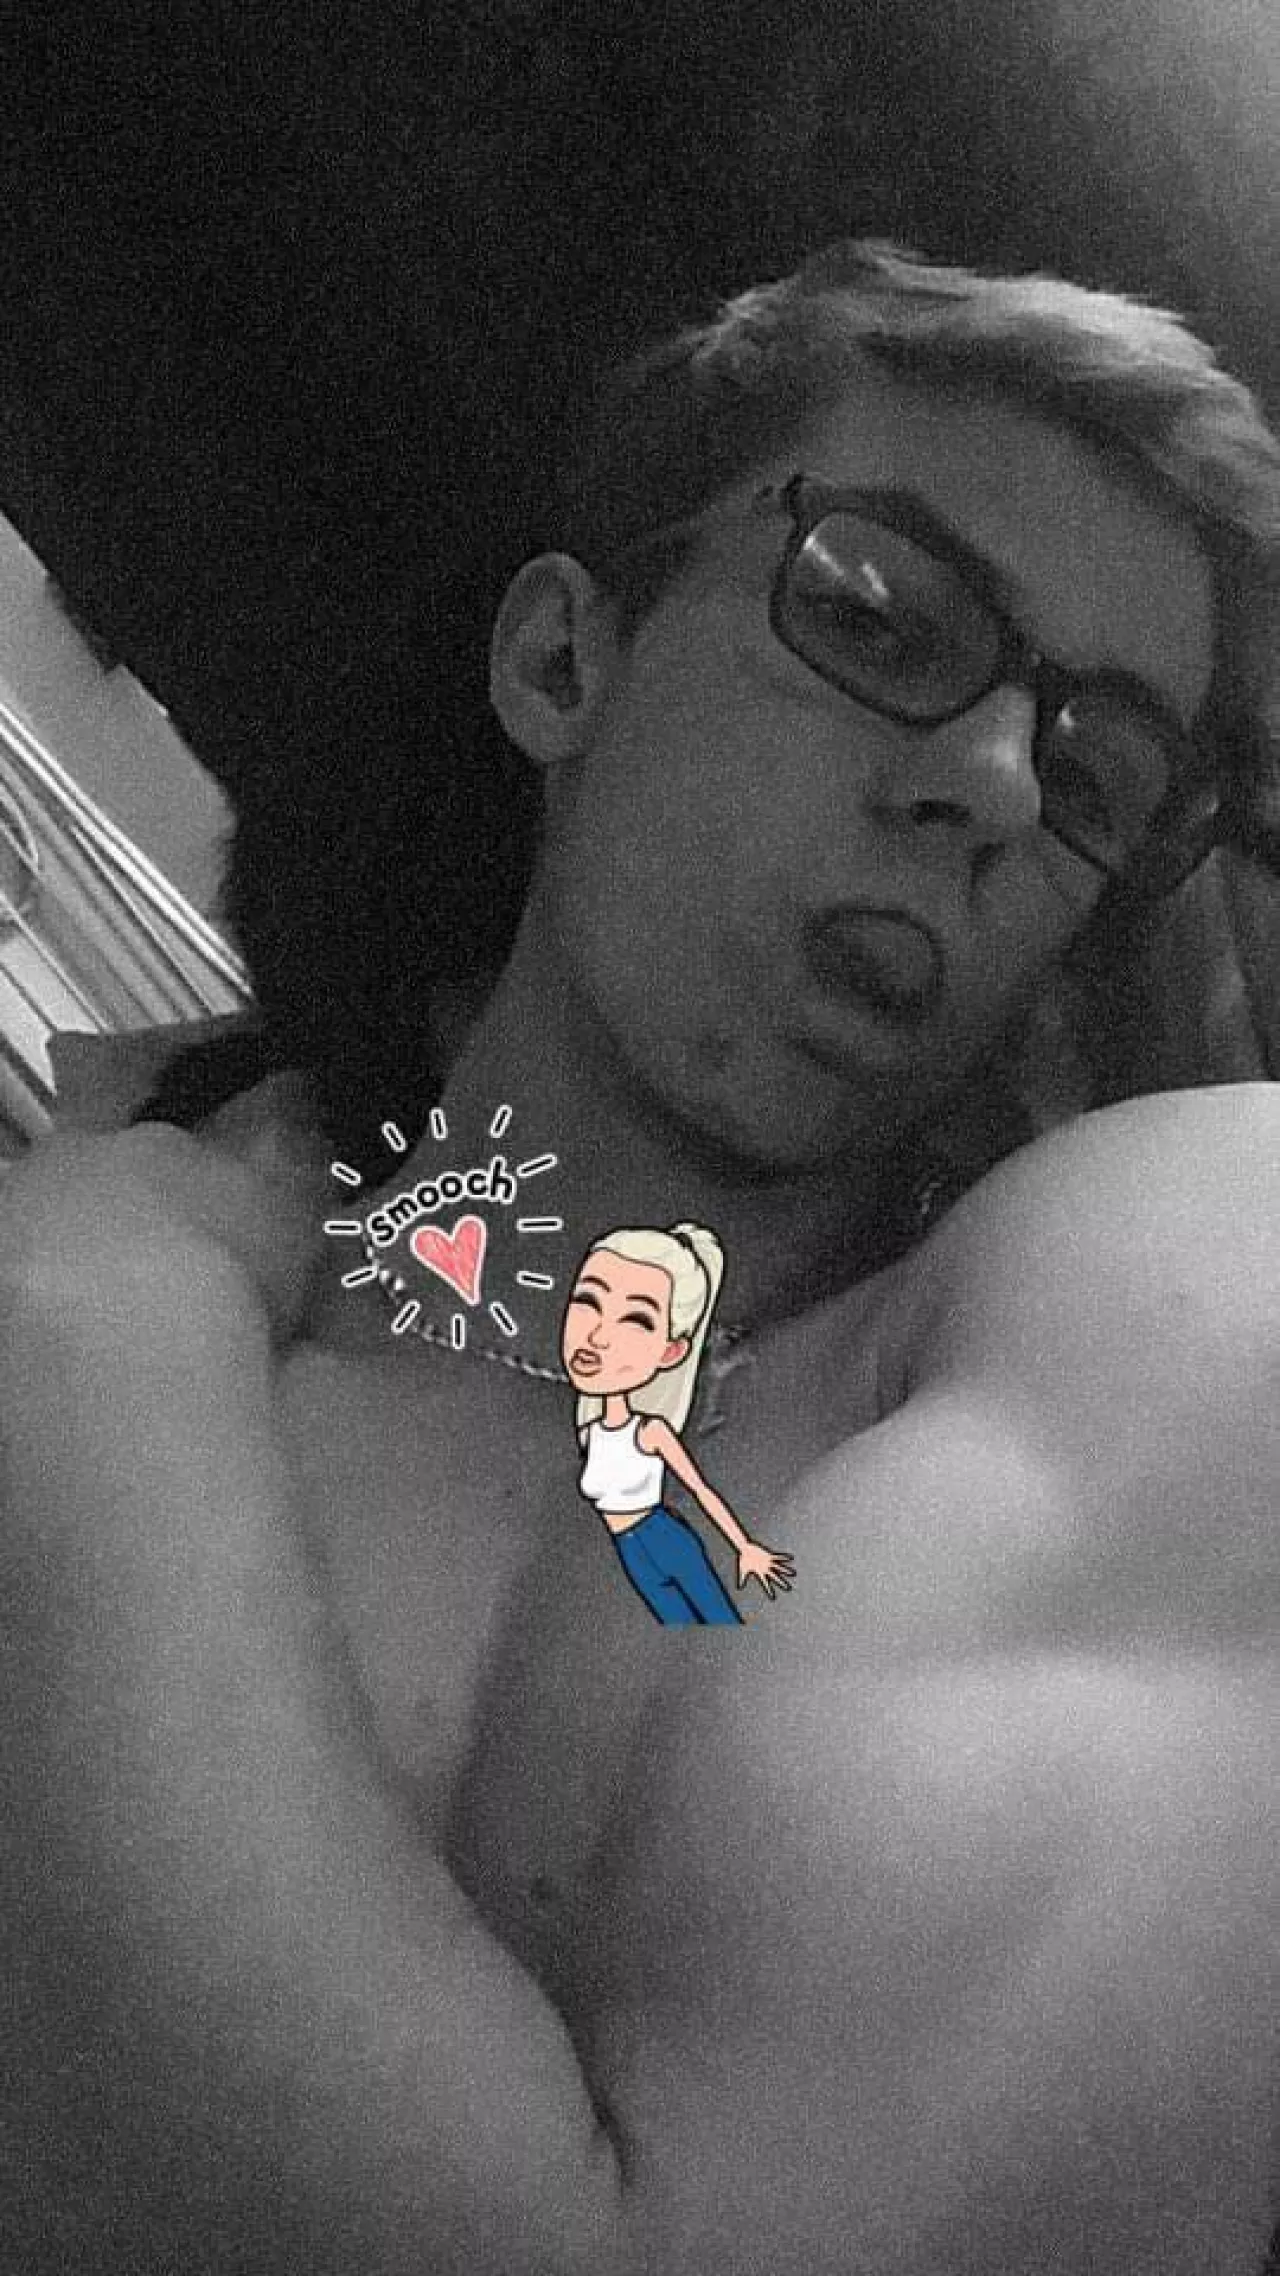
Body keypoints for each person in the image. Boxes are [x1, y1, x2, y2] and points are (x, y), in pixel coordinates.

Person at [4, 239, 1280, 2275]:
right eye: (879, 615)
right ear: (560, 665)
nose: (991, 779)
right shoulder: (232, 1306)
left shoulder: (1132, 1329)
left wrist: (87, 1303)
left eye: (1093, 773)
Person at [563, 1223, 795, 1622]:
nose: (598, 1335)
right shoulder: (591, 1430)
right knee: (687, 1630)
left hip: (661, 1539)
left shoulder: (650, 1432)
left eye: (635, 1319)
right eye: (588, 1300)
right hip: (631, 1548)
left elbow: (700, 1489)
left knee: (715, 1621)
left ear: (671, 1352)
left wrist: (744, 1547)